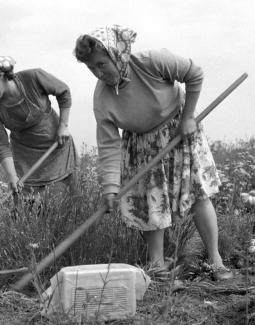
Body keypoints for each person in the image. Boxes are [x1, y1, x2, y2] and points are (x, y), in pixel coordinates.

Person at [74, 25, 232, 280]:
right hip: (142, 146)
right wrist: (110, 189)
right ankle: (157, 267)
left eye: (101, 64)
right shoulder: (102, 99)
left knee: (198, 195)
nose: (98, 73)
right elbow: (109, 145)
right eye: (91, 68)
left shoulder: (150, 61)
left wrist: (188, 117)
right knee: (149, 204)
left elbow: (194, 73)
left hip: (180, 130)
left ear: (117, 54)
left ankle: (216, 260)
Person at [0, 56, 78, 197]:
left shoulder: (33, 77)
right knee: (26, 207)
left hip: (57, 148)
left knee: (62, 205)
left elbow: (63, 91)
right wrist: (12, 176)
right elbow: (1, 144)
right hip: (25, 158)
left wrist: (63, 126)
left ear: (1, 75)